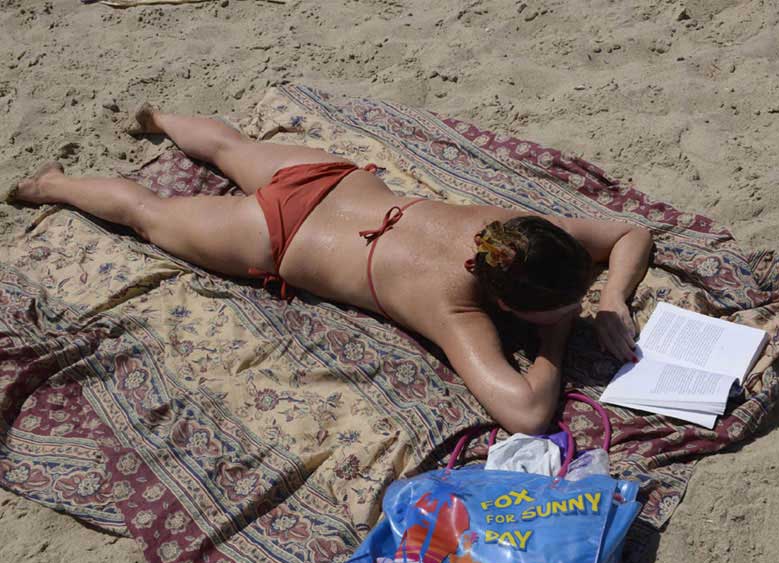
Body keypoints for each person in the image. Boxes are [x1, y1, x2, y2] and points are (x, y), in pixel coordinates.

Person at [9, 106, 653, 434]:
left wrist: (613, 297)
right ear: (507, 305)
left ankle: (160, 119)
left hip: (331, 181)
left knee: (232, 148)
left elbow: (628, 233)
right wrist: (557, 332)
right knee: (147, 214)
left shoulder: (507, 231)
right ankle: (50, 187)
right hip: (277, 235)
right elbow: (527, 413)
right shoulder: (452, 307)